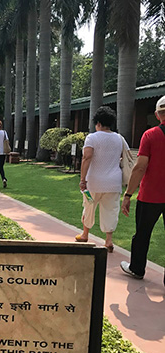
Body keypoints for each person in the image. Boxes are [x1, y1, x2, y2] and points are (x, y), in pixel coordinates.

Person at [120, 96, 165, 281]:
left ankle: (137, 269)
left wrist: (128, 194)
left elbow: (140, 167)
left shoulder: (150, 135)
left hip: (151, 196)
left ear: (157, 115)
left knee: (142, 234)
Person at [75, 106, 128, 252]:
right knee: (111, 210)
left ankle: (85, 234)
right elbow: (126, 156)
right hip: (114, 182)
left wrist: (82, 179)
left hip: (94, 182)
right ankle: (108, 240)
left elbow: (87, 158)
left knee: (89, 207)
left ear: (98, 122)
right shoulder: (119, 138)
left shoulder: (92, 137)